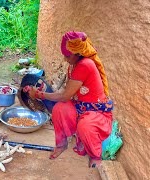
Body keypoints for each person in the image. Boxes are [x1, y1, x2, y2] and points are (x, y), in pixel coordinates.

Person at [24, 31, 113, 168]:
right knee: (59, 109)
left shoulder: (85, 65)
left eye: (67, 56)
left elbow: (65, 96)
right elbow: (68, 92)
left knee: (85, 127)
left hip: (96, 110)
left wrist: (40, 94)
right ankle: (61, 144)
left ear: (78, 53)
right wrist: (42, 91)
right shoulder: (74, 64)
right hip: (80, 106)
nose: (65, 59)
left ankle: (96, 156)